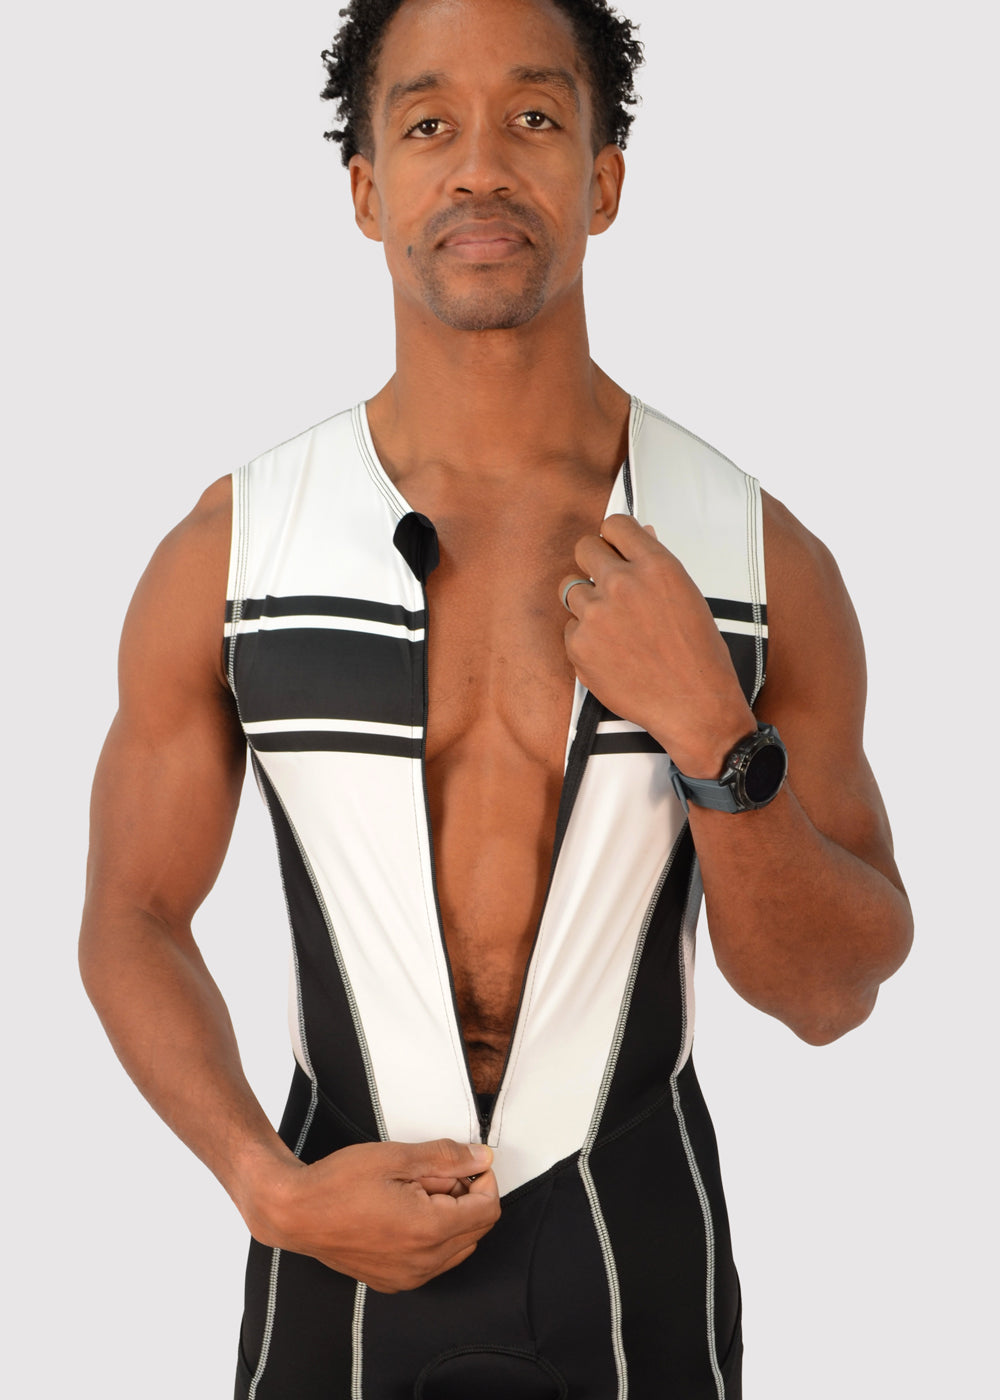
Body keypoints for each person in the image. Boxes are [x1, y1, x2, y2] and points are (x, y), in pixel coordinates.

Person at [79, 0, 913, 1395]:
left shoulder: (757, 561)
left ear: (602, 181)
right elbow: (131, 916)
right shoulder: (233, 553)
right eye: (427, 125)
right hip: (334, 1245)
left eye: (533, 117)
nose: (479, 167)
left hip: (635, 1246)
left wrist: (714, 733)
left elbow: (832, 995)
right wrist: (265, 1187)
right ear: (366, 192)